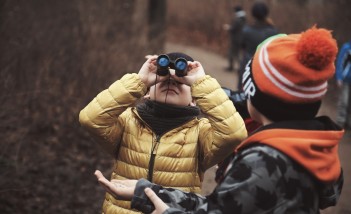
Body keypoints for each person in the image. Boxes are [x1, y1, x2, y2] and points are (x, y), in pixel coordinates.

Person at [94, 27, 344, 214]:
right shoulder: (311, 150)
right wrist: (147, 192)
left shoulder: (262, 160)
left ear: (252, 93)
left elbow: (218, 207)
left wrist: (160, 205)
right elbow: (220, 206)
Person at [79, 52, 247, 213]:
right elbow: (91, 119)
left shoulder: (201, 133)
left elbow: (233, 134)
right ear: (146, 93)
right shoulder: (127, 122)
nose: (171, 83)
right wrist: (139, 81)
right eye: (163, 80)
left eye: (180, 82)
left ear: (194, 100)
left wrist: (201, 83)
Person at [237, 1, 278, 90]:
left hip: (247, 67)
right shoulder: (273, 32)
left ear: (253, 14)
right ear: (266, 14)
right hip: (265, 69)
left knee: (242, 96)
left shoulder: (246, 30)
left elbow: (241, 46)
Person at [223, 5, 246, 72]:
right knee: (238, 54)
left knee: (232, 53)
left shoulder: (238, 20)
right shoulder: (244, 19)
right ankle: (239, 68)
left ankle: (231, 67)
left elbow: (233, 28)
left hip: (235, 39)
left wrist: (228, 28)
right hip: (241, 39)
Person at [335, 40, 351, 129]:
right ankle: (340, 122)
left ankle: (348, 122)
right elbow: (340, 62)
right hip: (345, 79)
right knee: (343, 101)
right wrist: (339, 77)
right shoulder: (347, 47)